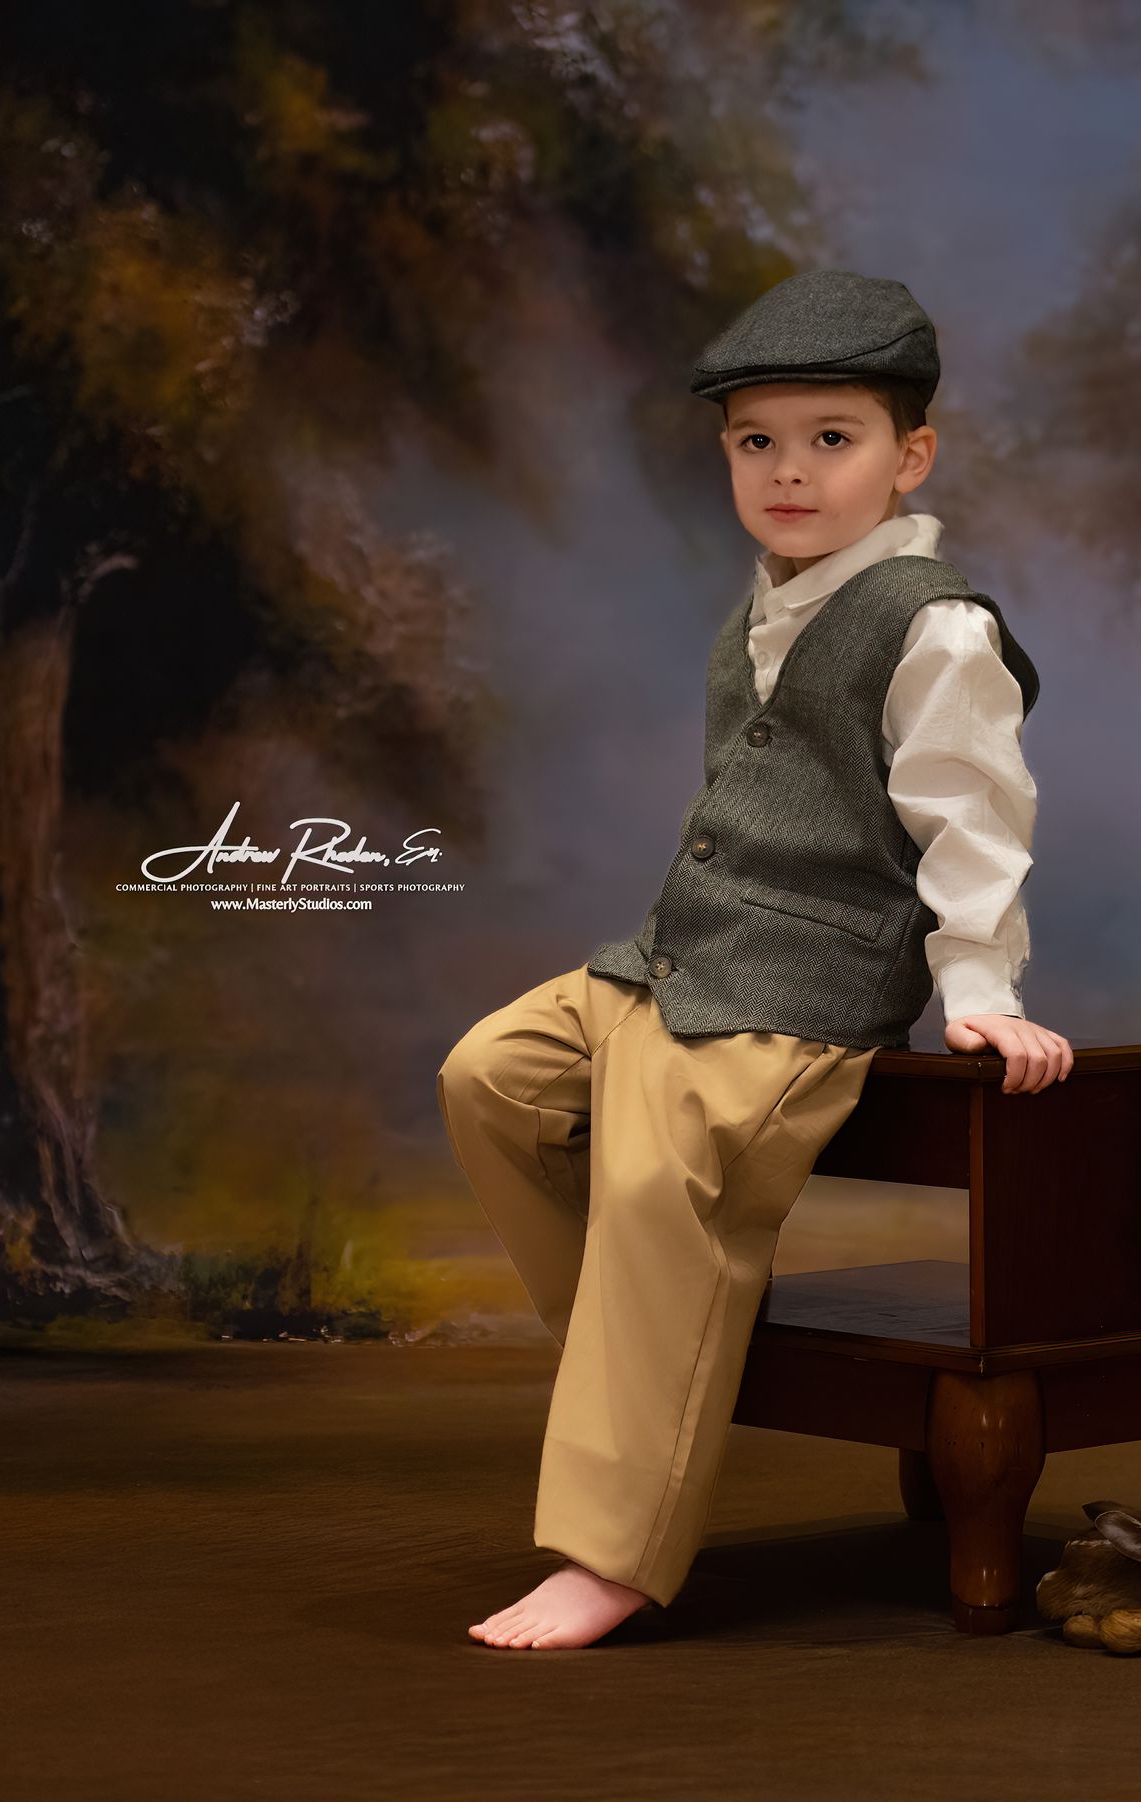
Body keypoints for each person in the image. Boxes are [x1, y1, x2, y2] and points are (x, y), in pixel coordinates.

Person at [437, 268, 1074, 1650]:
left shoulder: (934, 625)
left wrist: (981, 993)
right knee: (492, 1076)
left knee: (659, 1160)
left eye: (830, 439)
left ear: (910, 455)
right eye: (755, 442)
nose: (789, 471)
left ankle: (611, 1548)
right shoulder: (766, 600)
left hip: (798, 995)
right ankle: (660, 1343)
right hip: (677, 958)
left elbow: (974, 819)